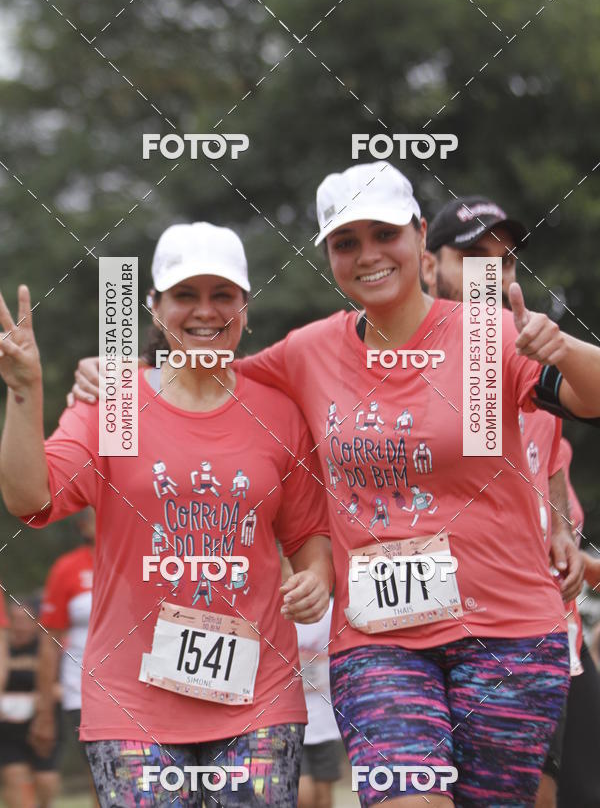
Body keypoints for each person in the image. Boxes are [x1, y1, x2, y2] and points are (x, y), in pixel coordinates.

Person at [65, 161, 600, 806]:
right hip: (380, 645)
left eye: (384, 234)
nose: (368, 255)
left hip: (508, 635)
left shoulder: (486, 334)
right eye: (347, 243)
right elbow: (204, 370)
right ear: (328, 258)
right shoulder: (306, 352)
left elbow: (585, 402)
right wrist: (118, 372)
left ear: (419, 238)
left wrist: (564, 348)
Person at [0, 221, 333, 807]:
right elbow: (32, 499)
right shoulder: (117, 404)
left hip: (259, 698)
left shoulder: (279, 413)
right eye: (185, 295)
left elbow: (308, 533)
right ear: (154, 309)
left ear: (246, 308)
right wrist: (25, 391)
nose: (205, 311)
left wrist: (318, 576)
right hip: (132, 705)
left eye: (222, 295)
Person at [421, 195, 587, 808]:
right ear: (427, 262)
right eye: (472, 257)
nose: (493, 273)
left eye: (507, 260)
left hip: (528, 633)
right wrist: (115, 375)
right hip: (410, 642)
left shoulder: (530, 360)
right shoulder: (373, 353)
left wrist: (564, 531)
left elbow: (551, 472)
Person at [30, 507, 97, 806]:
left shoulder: (141, 562)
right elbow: (49, 643)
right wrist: (44, 712)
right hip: (83, 693)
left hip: (140, 691)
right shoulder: (67, 568)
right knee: (104, 776)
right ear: (83, 525)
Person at [555, 437, 600, 808]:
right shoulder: (478, 432)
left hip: (568, 639)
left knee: (585, 793)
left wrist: (591, 568)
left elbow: (559, 544)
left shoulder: (559, 444)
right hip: (505, 640)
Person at [281, 557, 342, 808]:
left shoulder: (331, 611)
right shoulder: (275, 614)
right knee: (302, 796)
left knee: (323, 797)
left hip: (326, 721)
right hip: (291, 720)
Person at [0, 597, 62, 808]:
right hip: (7, 726)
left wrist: (43, 696)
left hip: (42, 721)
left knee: (46, 780)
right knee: (13, 775)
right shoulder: (3, 647)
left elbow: (63, 687)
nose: (19, 626)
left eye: (24, 620)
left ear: (36, 623)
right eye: (14, 620)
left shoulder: (46, 648)